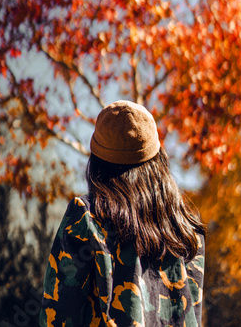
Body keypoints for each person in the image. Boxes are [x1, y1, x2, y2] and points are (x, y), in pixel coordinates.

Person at [39, 100, 205, 327]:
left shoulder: (86, 218)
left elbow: (57, 316)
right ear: (158, 159)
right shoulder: (187, 232)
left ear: (97, 163)